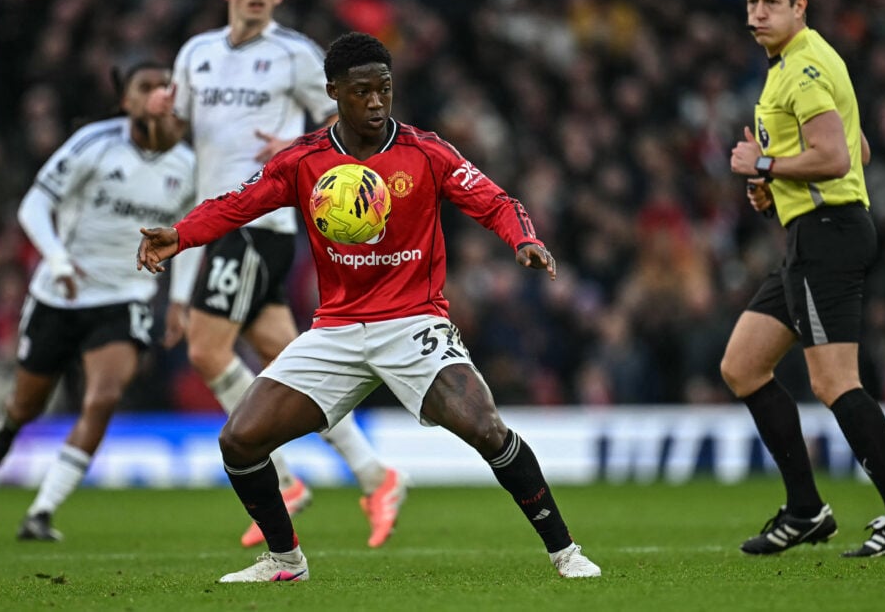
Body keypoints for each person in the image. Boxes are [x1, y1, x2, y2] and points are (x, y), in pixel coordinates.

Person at [137, 31, 601, 581]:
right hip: (336, 329)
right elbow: (237, 204)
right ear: (334, 91)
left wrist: (522, 238)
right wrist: (181, 236)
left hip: (414, 321)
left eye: (384, 89)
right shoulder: (303, 161)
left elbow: (494, 199)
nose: (377, 102)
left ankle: (566, 553)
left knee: (486, 427)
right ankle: (286, 560)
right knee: (239, 440)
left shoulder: (426, 151)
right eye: (362, 92)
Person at [146, 0, 406, 549]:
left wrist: (296, 149)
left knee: (209, 353)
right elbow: (179, 140)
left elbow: (350, 112)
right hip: (219, 224)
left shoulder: (293, 54)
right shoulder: (196, 55)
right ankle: (376, 474)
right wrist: (161, 117)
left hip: (261, 225)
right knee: (290, 366)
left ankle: (283, 475)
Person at [723, 0, 885, 557]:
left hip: (830, 235)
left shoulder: (805, 67)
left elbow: (839, 160)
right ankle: (806, 510)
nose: (757, 13)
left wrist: (763, 164)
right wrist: (775, 186)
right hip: (808, 235)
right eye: (750, 2)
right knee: (742, 365)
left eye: (770, 2)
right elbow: (860, 147)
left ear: (799, 7)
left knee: (834, 380)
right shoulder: (793, 64)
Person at [0, 61, 197, 540]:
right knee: (28, 402)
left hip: (125, 297)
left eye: (166, 85)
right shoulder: (94, 144)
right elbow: (34, 204)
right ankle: (10, 421)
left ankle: (41, 512)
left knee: (103, 396)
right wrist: (57, 260)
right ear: (126, 101)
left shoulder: (186, 166)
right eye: (146, 86)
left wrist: (179, 302)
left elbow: (185, 238)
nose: (158, 93)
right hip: (61, 293)